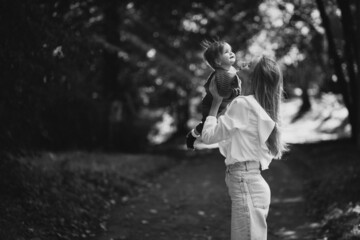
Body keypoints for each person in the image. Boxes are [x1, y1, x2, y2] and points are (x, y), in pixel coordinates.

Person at [201, 55, 288, 240]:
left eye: (247, 66)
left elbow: (208, 137)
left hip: (246, 183)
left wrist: (215, 102)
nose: (240, 67)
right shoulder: (255, 106)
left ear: (254, 78)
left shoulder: (243, 105)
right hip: (250, 183)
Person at [186, 40, 242, 150]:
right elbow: (223, 92)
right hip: (212, 104)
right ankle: (192, 136)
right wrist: (236, 93)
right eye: (226, 52)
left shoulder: (230, 70)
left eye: (231, 51)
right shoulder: (221, 75)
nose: (231, 53)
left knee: (217, 123)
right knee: (207, 124)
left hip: (223, 104)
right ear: (218, 62)